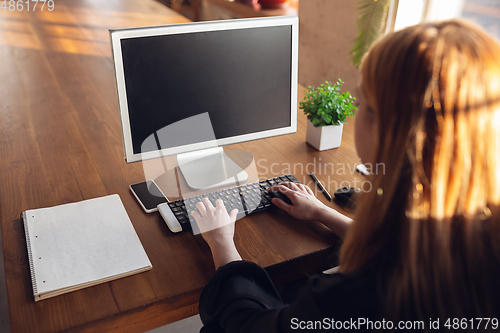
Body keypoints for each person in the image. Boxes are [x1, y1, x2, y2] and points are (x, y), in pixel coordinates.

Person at [190, 20, 500, 332]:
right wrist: (323, 213)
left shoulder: (362, 295)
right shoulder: (475, 231)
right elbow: (400, 248)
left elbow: (248, 325)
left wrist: (221, 242)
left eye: (360, 103)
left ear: (387, 131)